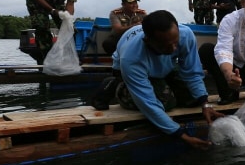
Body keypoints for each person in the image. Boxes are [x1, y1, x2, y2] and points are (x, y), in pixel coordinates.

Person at [93, 10, 224, 149]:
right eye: (166, 46)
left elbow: (192, 72)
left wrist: (205, 105)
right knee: (165, 101)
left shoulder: (185, 35)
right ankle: (116, 86)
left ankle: (163, 84)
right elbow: (148, 104)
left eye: (175, 43)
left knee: (193, 97)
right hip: (131, 71)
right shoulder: (131, 59)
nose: (173, 48)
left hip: (164, 66)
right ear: (147, 40)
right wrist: (180, 134)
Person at [25, 0, 84, 64]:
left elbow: (70, 3)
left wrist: (68, 17)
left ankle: (65, 58)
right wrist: (52, 10)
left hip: (57, 5)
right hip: (38, 3)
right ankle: (45, 59)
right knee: (42, 27)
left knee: (71, 29)